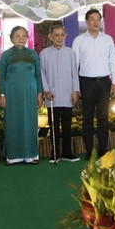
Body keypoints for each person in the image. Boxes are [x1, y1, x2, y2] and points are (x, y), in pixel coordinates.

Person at [72, 9, 115, 160]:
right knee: (87, 118)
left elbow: (113, 61)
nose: (95, 22)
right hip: (86, 83)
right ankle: (89, 150)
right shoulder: (79, 40)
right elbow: (74, 65)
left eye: (98, 19)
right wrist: (75, 87)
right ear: (86, 21)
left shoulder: (107, 39)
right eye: (92, 19)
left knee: (103, 118)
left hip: (104, 82)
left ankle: (103, 149)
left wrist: (114, 81)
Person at [0, 26, 43, 165]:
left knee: (30, 122)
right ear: (11, 38)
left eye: (24, 36)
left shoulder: (33, 54)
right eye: (17, 35)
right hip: (11, 93)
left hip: (30, 92)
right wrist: (2, 94)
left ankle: (31, 154)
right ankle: (12, 156)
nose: (21, 38)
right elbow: (1, 76)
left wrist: (39, 93)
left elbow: (38, 75)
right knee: (12, 121)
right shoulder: (6, 54)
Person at [40, 23, 80, 163]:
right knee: (54, 126)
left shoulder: (70, 52)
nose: (59, 37)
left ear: (65, 36)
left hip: (68, 94)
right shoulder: (44, 53)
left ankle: (67, 153)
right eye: (56, 35)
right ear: (50, 37)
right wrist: (46, 90)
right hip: (52, 96)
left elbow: (74, 73)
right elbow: (42, 73)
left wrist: (75, 91)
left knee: (67, 126)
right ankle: (55, 153)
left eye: (62, 35)